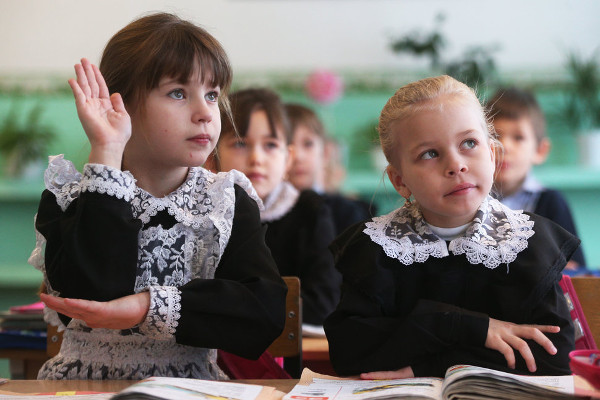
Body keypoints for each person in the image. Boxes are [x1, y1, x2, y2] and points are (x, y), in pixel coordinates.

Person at [29, 12, 287, 380]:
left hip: (190, 388)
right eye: (178, 93)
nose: (204, 114)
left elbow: (263, 312)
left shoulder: (224, 200)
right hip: (82, 386)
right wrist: (107, 150)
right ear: (123, 104)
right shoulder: (68, 197)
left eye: (212, 94)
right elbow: (92, 296)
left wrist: (149, 307)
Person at [324, 75, 578, 379]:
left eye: (469, 143)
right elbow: (350, 354)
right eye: (430, 153)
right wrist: (462, 326)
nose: (456, 165)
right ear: (400, 180)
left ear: (493, 154)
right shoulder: (376, 249)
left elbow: (553, 357)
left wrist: (434, 365)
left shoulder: (528, 242)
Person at [209, 89, 340, 326]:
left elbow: (323, 304)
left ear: (288, 159)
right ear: (213, 156)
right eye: (240, 143)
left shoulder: (310, 211)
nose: (256, 158)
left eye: (270, 145)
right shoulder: (204, 214)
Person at [488, 87, 586, 270]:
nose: (505, 146)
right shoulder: (470, 201)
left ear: (540, 151)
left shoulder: (551, 202)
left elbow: (576, 270)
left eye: (518, 138)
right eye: (494, 136)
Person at [285, 103, 374, 235]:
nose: (298, 156)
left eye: (308, 144)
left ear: (325, 152)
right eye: (287, 145)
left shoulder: (348, 212)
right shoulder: (264, 213)